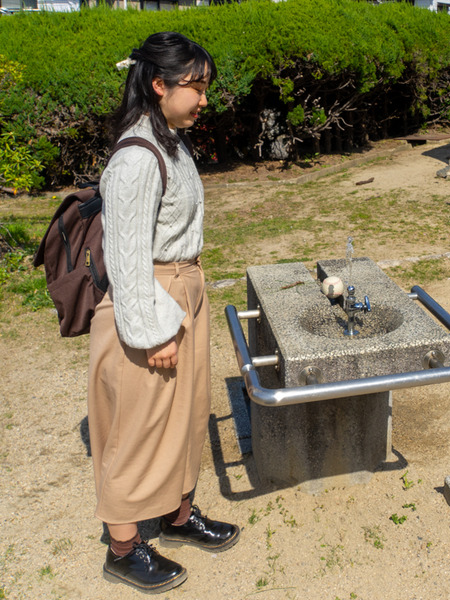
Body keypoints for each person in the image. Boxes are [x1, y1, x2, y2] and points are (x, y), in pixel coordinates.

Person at [87, 31, 239, 594]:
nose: (204, 99)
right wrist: (153, 332)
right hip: (151, 297)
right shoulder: (136, 157)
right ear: (158, 85)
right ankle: (123, 549)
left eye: (205, 87)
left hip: (182, 288)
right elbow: (126, 259)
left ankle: (177, 516)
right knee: (139, 425)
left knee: (186, 412)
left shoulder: (170, 141)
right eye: (195, 87)